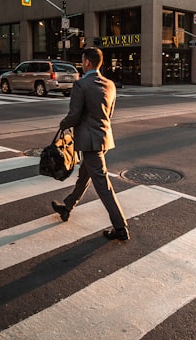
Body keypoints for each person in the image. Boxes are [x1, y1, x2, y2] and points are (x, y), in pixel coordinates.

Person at [51, 47, 129, 241]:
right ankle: (67, 207)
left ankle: (121, 227)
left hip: (88, 140)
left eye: (82, 59)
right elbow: (108, 114)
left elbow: (74, 115)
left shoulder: (81, 85)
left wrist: (64, 124)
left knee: (103, 184)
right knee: (84, 176)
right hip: (103, 138)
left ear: (87, 62)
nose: (82, 63)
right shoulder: (110, 84)